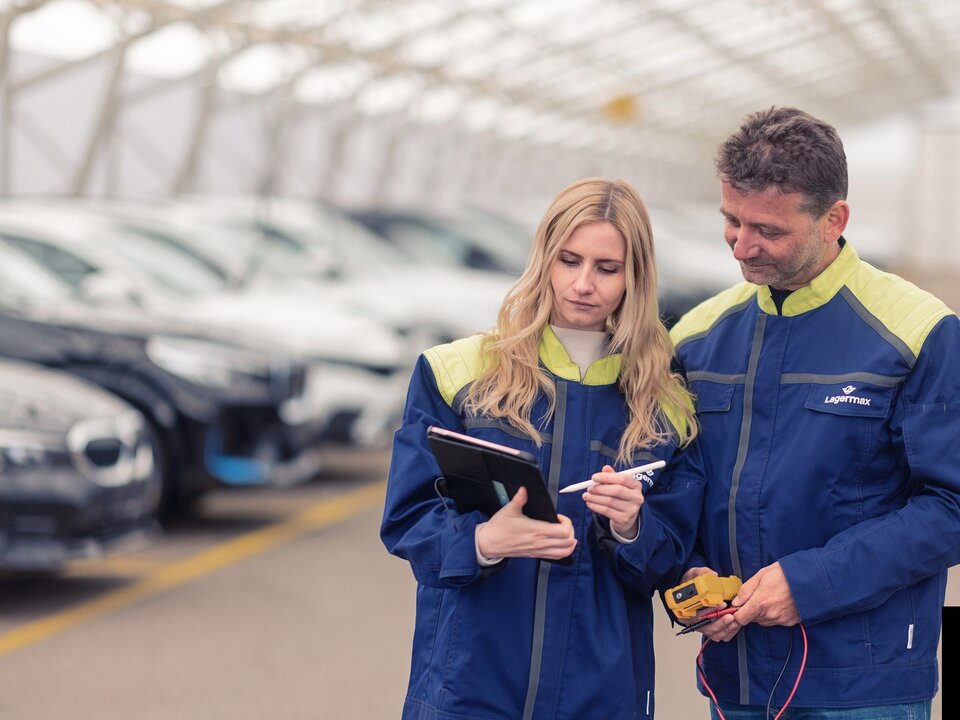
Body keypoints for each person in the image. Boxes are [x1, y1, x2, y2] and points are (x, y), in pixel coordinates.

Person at [669, 106, 960, 719]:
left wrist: (809, 585)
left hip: (864, 684)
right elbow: (676, 486)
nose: (742, 246)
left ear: (834, 220)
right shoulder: (697, 337)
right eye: (731, 221)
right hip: (736, 674)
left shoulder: (917, 332)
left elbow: (951, 506)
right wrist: (687, 566)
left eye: (768, 230)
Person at [381, 177, 706, 720]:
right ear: (543, 260)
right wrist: (484, 540)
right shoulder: (456, 374)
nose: (583, 283)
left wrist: (633, 528)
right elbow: (407, 518)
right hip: (469, 686)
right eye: (568, 260)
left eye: (607, 268)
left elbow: (669, 556)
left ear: (636, 277)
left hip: (601, 693)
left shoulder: (665, 404)